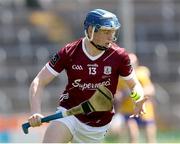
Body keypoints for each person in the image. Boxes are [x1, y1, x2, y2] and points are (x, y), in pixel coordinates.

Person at [28, 9, 147, 143]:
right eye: (106, 31)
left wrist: (138, 98)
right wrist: (35, 111)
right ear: (91, 30)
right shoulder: (69, 52)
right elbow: (39, 81)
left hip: (97, 126)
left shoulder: (119, 56)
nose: (111, 37)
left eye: (113, 32)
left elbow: (134, 84)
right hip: (69, 113)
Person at [111, 53, 157, 143]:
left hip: (144, 109)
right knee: (133, 135)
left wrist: (136, 92)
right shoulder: (121, 78)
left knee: (150, 137)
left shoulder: (141, 74)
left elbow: (151, 90)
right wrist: (122, 95)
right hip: (128, 110)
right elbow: (117, 95)